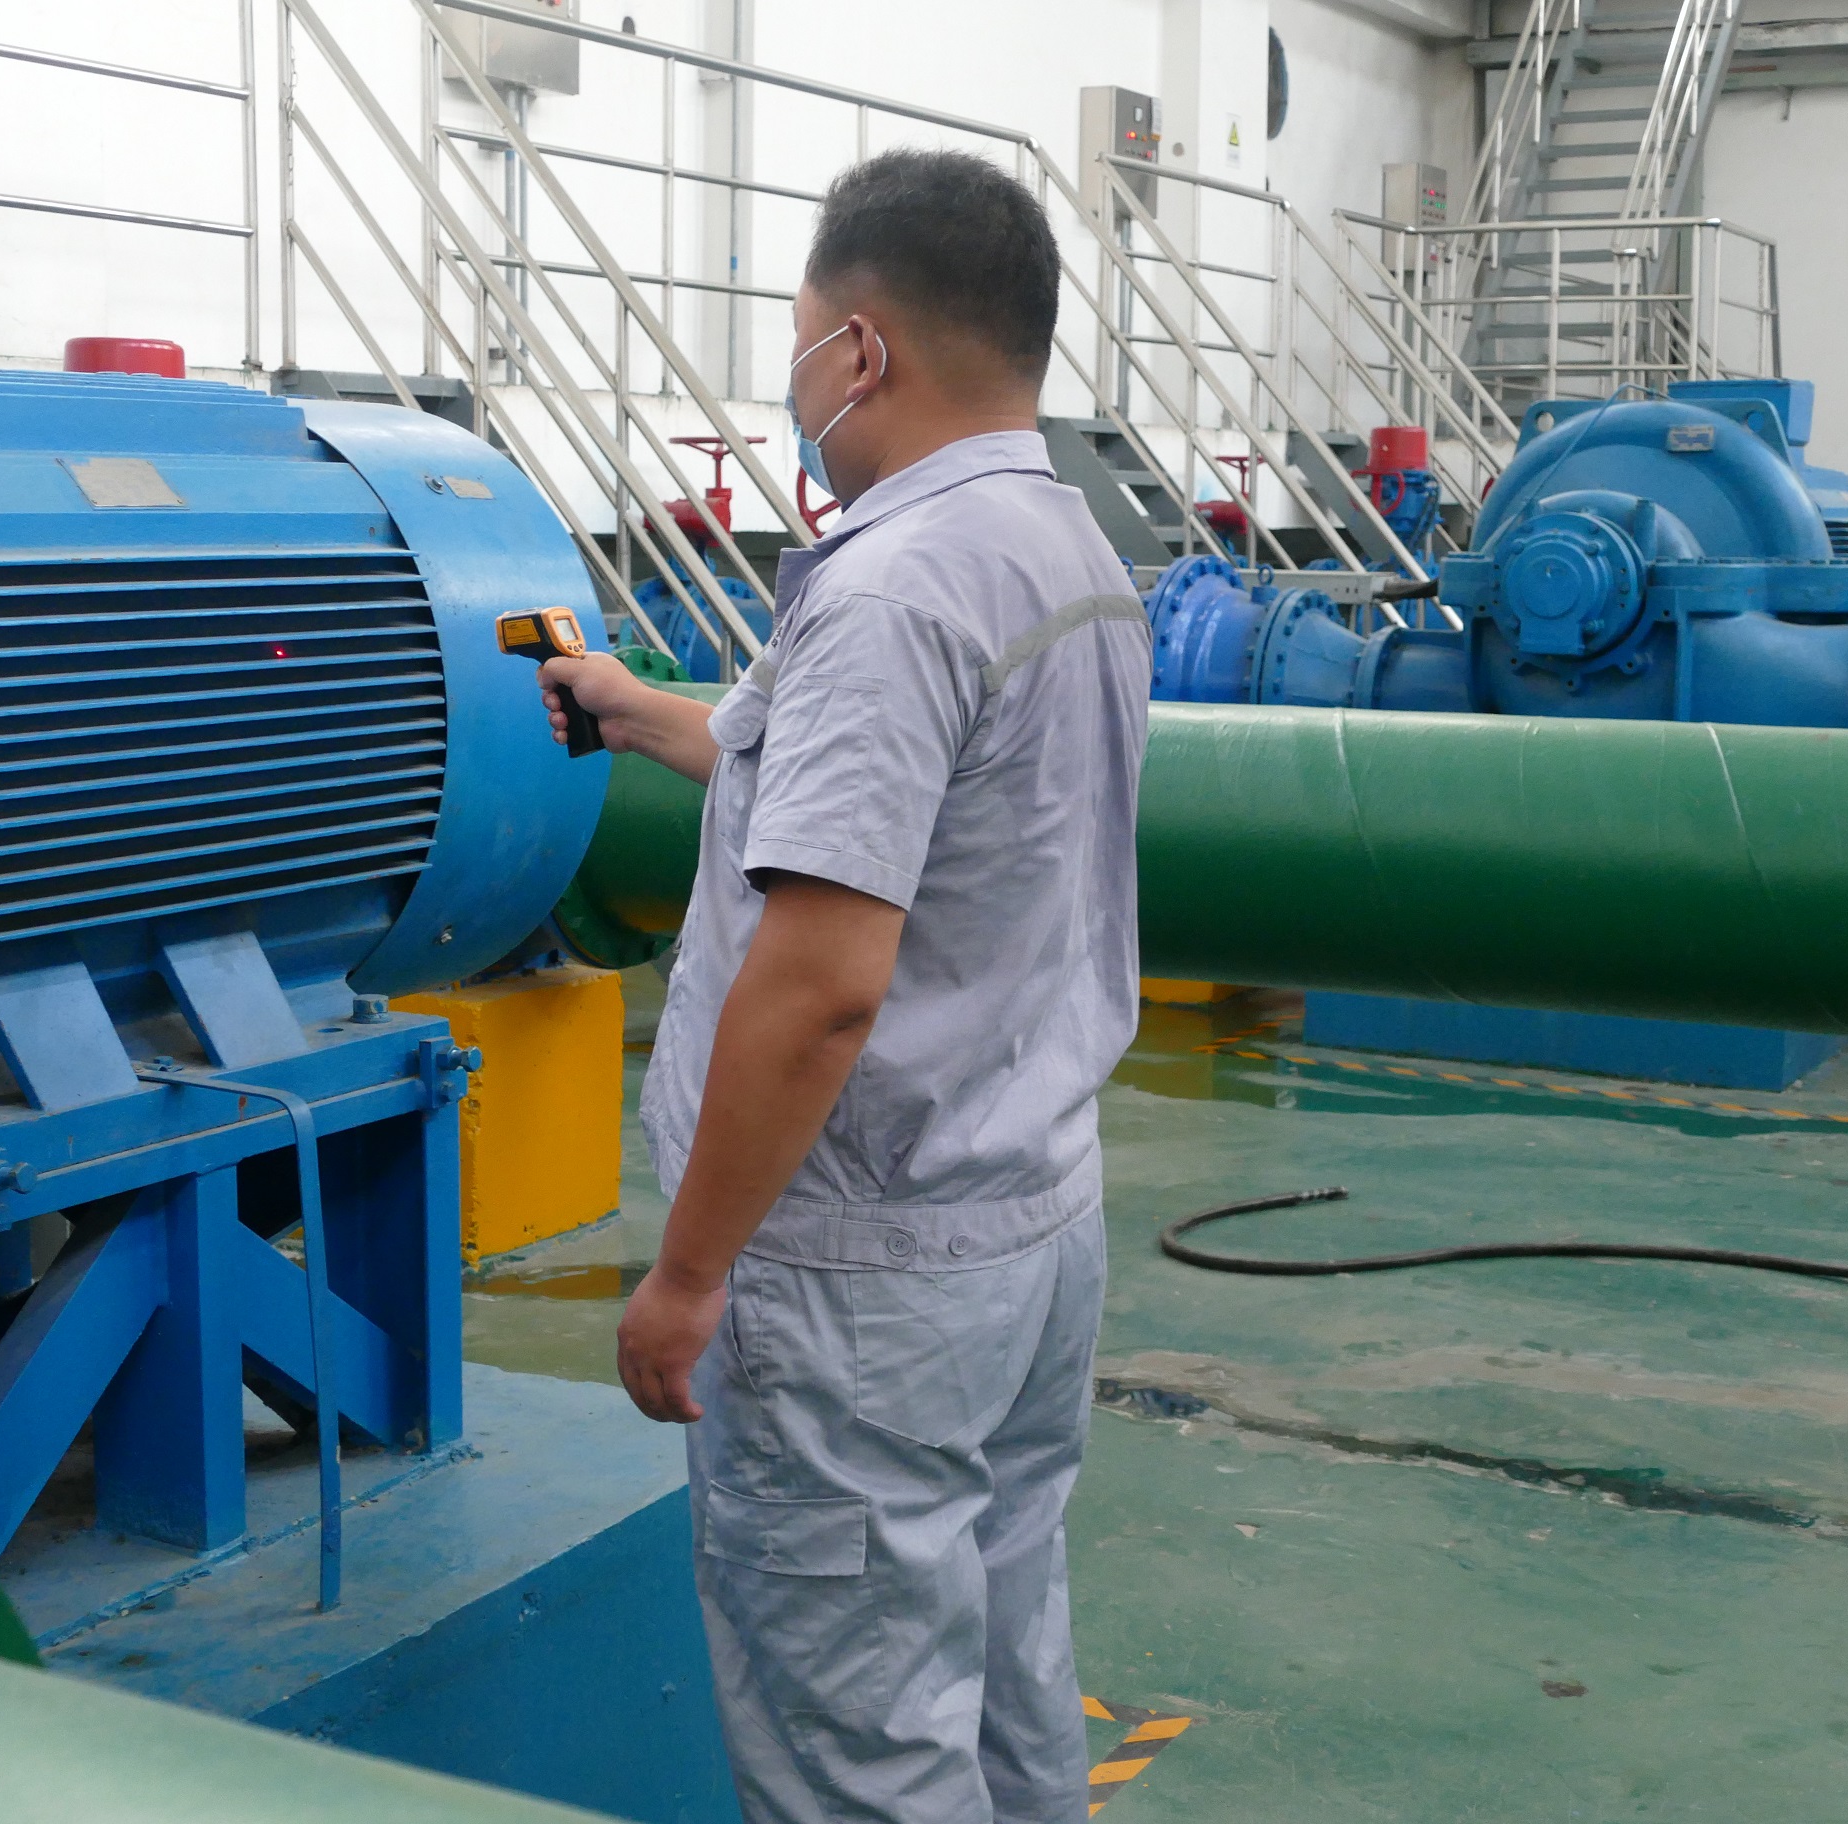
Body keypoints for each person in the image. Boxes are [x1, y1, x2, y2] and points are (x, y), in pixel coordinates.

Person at [536, 149, 1151, 1824]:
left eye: (803, 340)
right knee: (1005, 1651)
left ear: (861, 351)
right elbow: (832, 779)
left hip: (864, 1273)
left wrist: (686, 1275)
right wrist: (634, 708)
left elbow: (819, 989)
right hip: (1026, 1223)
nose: (797, 382)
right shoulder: (1066, 548)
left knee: (860, 1744)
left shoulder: (887, 590)